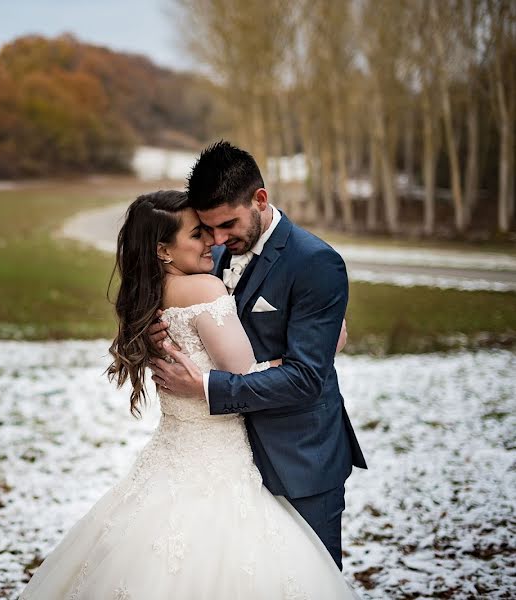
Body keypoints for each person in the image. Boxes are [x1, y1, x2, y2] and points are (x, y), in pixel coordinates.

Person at [20, 189, 357, 599]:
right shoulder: (205, 288)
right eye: (199, 233)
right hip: (217, 457)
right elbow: (242, 370)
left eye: (215, 229)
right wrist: (322, 347)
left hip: (184, 452)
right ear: (163, 250)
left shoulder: (149, 292)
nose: (212, 242)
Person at [148, 140, 367, 570]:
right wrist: (155, 334)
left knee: (309, 583)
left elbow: (305, 378)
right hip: (224, 464)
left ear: (260, 199)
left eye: (228, 225)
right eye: (208, 229)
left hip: (300, 460)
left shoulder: (316, 263)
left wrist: (207, 387)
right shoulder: (208, 257)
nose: (217, 239)